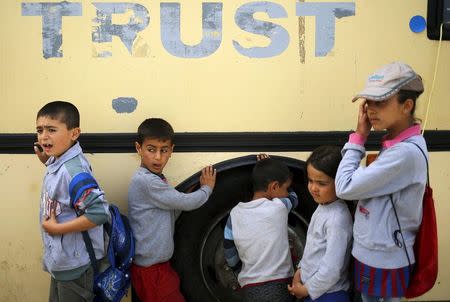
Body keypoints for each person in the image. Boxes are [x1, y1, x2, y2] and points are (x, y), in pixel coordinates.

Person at [335, 62, 427, 302]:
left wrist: (359, 137)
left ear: (407, 106)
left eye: (381, 102)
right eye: (370, 102)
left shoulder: (404, 154)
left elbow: (344, 186)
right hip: (378, 253)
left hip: (384, 258)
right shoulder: (395, 144)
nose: (371, 110)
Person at [128, 118, 216, 302]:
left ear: (171, 151)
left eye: (164, 150)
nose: (158, 157)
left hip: (156, 266)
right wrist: (206, 189)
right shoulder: (146, 181)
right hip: (151, 271)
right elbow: (186, 203)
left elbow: (170, 212)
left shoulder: (156, 179)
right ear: (138, 148)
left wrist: (181, 198)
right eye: (151, 150)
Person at [34, 101, 110, 302]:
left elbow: (100, 212)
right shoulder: (60, 162)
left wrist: (58, 229)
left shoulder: (73, 171)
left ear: (74, 133)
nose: (43, 137)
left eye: (51, 130)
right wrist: (48, 162)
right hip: (62, 261)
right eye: (40, 130)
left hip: (77, 268)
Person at [223, 155, 298, 302]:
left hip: (249, 288)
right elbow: (294, 199)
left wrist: (239, 270)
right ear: (274, 187)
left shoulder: (235, 214)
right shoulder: (279, 206)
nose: (287, 192)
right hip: (281, 284)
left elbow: (229, 252)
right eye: (286, 188)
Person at [288, 146, 353, 302]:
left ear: (340, 181)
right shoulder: (324, 206)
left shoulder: (338, 218)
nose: (313, 188)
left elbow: (332, 268)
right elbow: (313, 247)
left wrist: (306, 289)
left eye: (322, 183)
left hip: (330, 294)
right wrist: (300, 271)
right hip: (316, 290)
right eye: (310, 181)